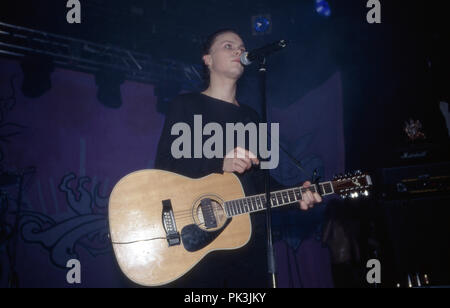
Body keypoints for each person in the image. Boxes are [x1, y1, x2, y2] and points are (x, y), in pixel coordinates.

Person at [154, 28, 322, 288]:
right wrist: (219, 164)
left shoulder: (251, 117)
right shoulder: (185, 105)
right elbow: (164, 166)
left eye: (242, 47)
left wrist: (296, 196)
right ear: (207, 59)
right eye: (228, 46)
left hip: (245, 246)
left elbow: (259, 183)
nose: (239, 51)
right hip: (195, 244)